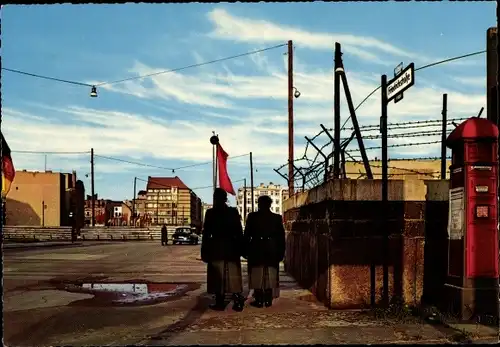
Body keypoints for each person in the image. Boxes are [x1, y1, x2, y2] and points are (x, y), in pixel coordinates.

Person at [201, 188, 245, 311]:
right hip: (232, 247)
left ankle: (220, 302)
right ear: (225, 199)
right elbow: (239, 231)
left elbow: (206, 234)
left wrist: (204, 251)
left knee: (217, 277)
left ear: (215, 199)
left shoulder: (210, 213)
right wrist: (241, 248)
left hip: (216, 248)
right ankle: (237, 300)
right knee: (233, 276)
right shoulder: (233, 212)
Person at [244, 195, 285, 308]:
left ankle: (259, 299)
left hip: (256, 247)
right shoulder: (276, 218)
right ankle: (267, 299)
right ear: (270, 204)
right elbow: (281, 237)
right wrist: (281, 252)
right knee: (270, 274)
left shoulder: (252, 217)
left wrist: (245, 250)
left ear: (259, 204)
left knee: (257, 274)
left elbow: (247, 235)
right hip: (272, 248)